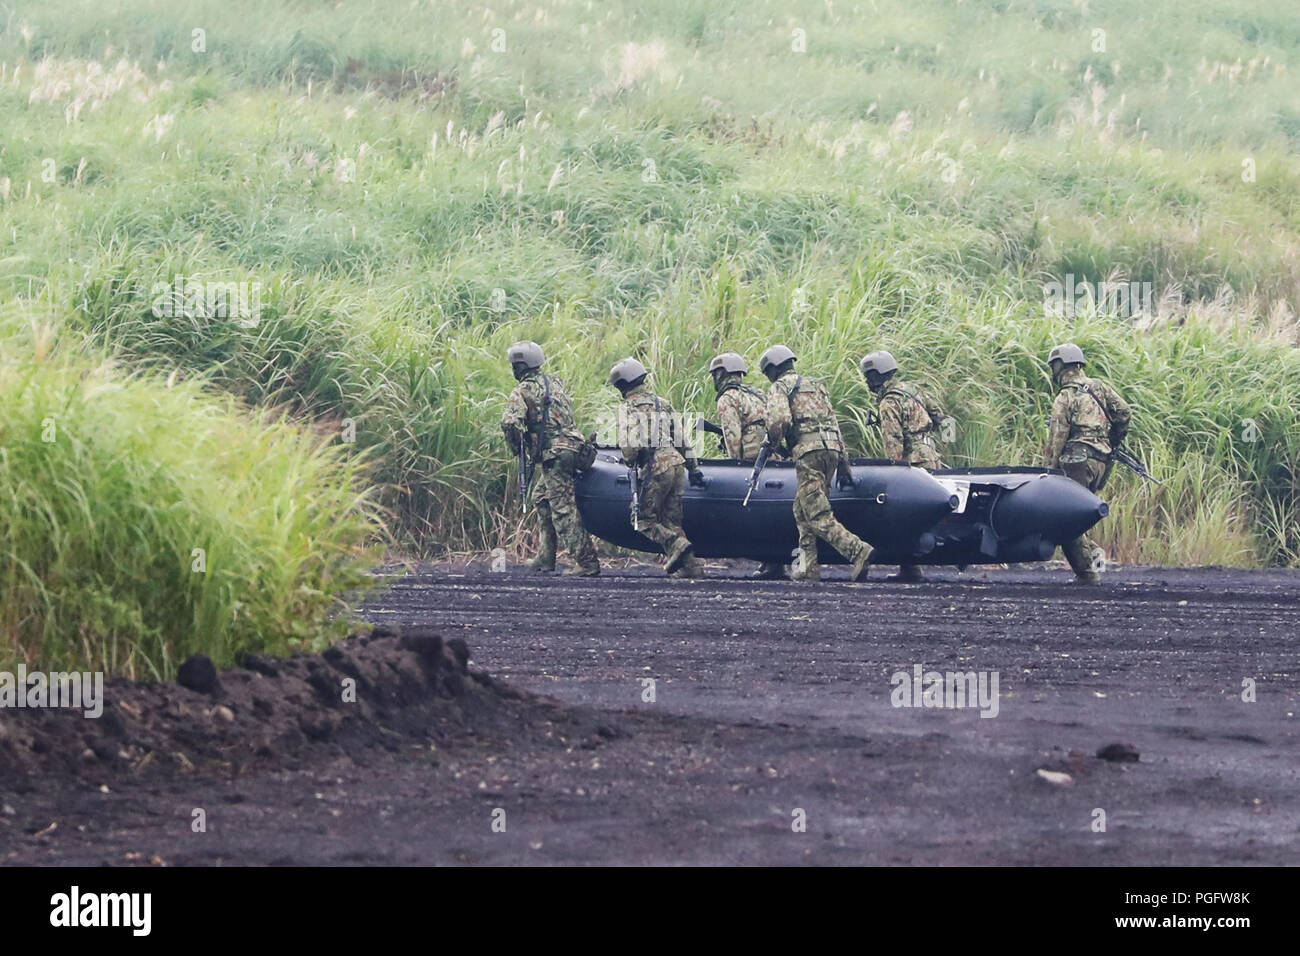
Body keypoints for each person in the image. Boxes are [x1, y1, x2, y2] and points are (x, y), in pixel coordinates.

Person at [760, 344, 872, 583]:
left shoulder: (779, 387)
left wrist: (772, 442)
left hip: (808, 454)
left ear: (773, 369)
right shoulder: (817, 386)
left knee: (817, 513)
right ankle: (807, 566)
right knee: (802, 509)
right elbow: (834, 424)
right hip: (830, 451)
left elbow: (778, 420)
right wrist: (844, 465)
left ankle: (857, 550)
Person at [500, 340, 601, 576]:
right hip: (578, 448)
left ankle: (587, 562)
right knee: (542, 497)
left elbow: (509, 422)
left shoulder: (521, 391)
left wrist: (518, 448)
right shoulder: (555, 382)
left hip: (555, 455)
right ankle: (546, 556)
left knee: (563, 509)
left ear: (518, 367)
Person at [1043, 343, 1132, 585]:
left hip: (1077, 461)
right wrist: (1113, 441)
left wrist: (1048, 472)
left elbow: (1057, 436)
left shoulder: (1066, 396)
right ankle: (1092, 564)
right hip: (1101, 460)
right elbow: (1124, 413)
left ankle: (1088, 574)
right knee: (1078, 517)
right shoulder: (1101, 387)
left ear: (1060, 366)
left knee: (1067, 517)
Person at [610, 357, 705, 578]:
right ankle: (692, 567)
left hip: (655, 467)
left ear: (622, 385)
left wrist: (630, 461)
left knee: (642, 520)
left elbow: (630, 447)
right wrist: (693, 467)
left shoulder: (626, 408)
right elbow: (681, 438)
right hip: (677, 464)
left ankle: (677, 544)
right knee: (671, 520)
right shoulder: (661, 402)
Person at [860, 350, 949, 582]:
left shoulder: (889, 402)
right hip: (931, 454)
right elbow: (941, 416)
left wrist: (895, 470)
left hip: (912, 461)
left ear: (876, 376)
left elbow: (894, 441)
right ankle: (911, 566)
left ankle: (910, 567)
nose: (868, 382)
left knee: (905, 515)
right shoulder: (914, 390)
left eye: (869, 377)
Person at [709, 351, 786, 580]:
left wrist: (735, 465)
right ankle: (773, 562)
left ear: (722, 374)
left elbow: (733, 435)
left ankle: (770, 563)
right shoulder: (756, 394)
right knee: (768, 514)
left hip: (751, 459)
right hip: (771, 455)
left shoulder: (728, 398)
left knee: (753, 514)